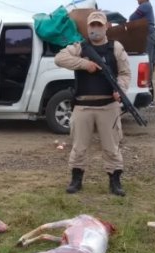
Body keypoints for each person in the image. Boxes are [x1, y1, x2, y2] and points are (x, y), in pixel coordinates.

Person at [54, 11, 131, 197]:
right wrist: (84, 64)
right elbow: (59, 58)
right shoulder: (80, 47)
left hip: (108, 106)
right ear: (87, 28)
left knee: (112, 147)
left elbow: (125, 73)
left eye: (99, 25)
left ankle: (115, 182)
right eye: (92, 25)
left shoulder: (116, 48)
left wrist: (120, 89)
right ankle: (76, 180)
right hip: (83, 105)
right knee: (79, 147)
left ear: (106, 27)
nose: (95, 29)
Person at [130, 0, 155, 104]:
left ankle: (149, 98)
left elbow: (132, 18)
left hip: (148, 35)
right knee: (149, 63)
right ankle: (150, 97)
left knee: (147, 64)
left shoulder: (145, 6)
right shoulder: (147, 6)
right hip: (151, 35)